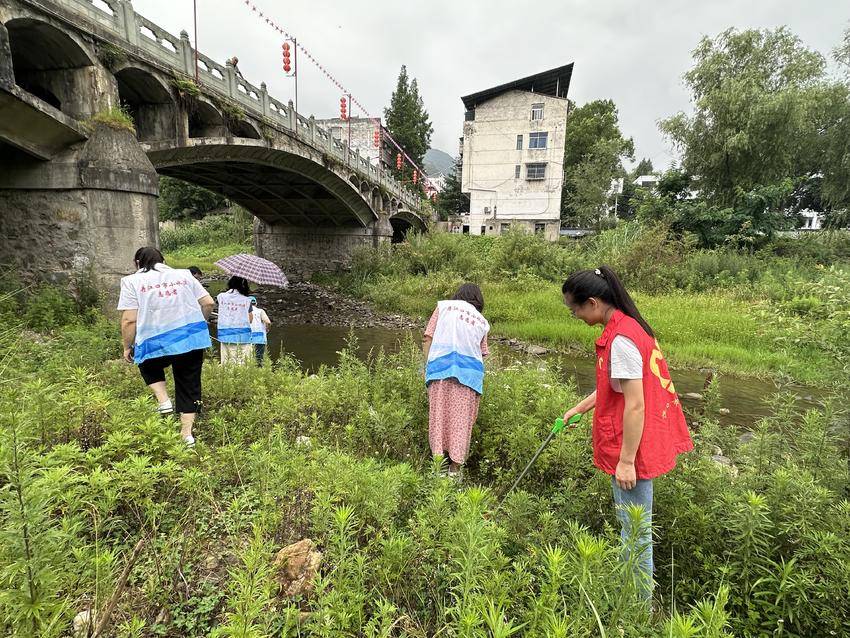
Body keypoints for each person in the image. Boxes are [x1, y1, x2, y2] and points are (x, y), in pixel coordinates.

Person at [561, 265, 693, 600]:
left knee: (635, 532)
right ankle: (631, 594)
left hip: (635, 447)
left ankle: (636, 609)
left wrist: (626, 462)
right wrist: (579, 408)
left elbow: (636, 405)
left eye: (574, 308)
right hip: (637, 443)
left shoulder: (622, 340)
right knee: (632, 526)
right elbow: (612, 386)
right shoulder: (629, 327)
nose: (574, 314)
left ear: (592, 303)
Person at [117, 247, 214, 447]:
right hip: (190, 340)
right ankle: (186, 435)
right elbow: (208, 303)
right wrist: (200, 323)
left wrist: (128, 346)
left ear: (137, 263)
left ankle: (164, 401)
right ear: (163, 260)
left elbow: (128, 320)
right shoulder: (185, 275)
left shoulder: (131, 281)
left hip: (155, 341)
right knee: (189, 383)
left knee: (145, 362)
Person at [423, 283, 490, 479]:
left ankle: (438, 470)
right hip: (470, 378)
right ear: (478, 301)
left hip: (441, 370)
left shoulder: (444, 307)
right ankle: (455, 472)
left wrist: (428, 367)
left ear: (457, 295)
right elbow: (482, 353)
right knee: (462, 423)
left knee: (439, 418)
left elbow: (428, 338)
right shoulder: (482, 321)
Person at [216, 276, 254, 365]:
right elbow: (250, 318)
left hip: (225, 334)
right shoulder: (246, 300)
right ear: (243, 285)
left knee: (226, 361)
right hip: (243, 335)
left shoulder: (221, 297)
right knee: (243, 362)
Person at [248, 295, 272, 366]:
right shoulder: (260, 311)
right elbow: (268, 322)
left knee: (248, 358)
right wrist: (267, 329)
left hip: (247, 338)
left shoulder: (245, 311)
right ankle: (259, 371)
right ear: (256, 303)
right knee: (259, 359)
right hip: (260, 339)